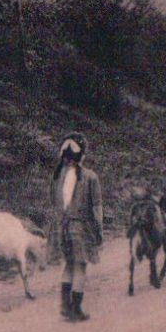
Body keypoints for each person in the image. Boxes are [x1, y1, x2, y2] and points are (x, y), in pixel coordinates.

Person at [47, 133, 104, 322]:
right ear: (82, 155)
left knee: (69, 263)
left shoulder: (57, 177)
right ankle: (76, 308)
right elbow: (96, 208)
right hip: (80, 228)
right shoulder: (90, 177)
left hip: (60, 227)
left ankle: (64, 304)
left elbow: (53, 202)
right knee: (80, 266)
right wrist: (99, 231)